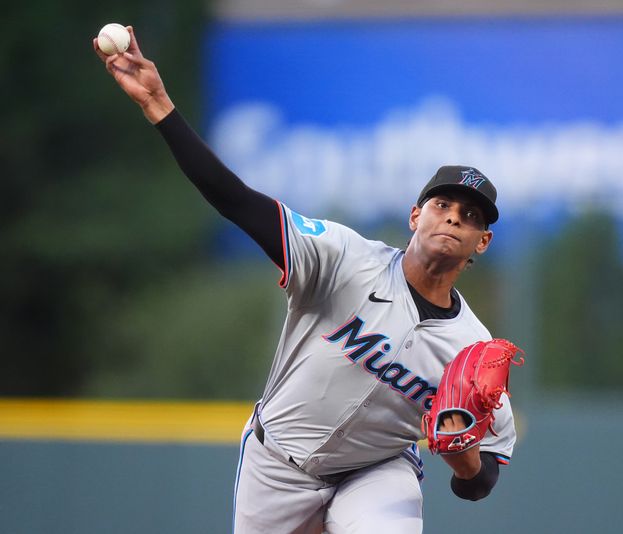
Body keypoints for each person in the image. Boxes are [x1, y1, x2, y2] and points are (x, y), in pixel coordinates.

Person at [94, 26, 518, 534]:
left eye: (470, 215)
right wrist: (161, 107)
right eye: (442, 205)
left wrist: (464, 455)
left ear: (482, 242)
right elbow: (236, 201)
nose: (452, 218)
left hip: (376, 470)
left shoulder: (472, 348)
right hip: (277, 462)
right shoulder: (344, 259)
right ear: (414, 216)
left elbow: (480, 481)